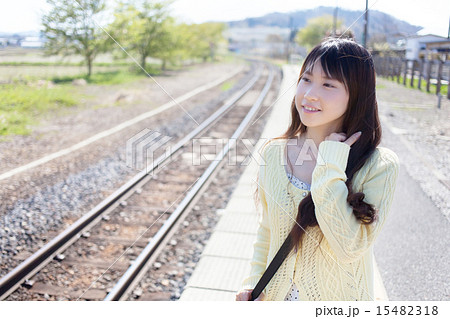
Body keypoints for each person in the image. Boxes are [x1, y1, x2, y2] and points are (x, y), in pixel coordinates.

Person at [235, 38, 399, 301]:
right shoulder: (274, 153)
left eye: (328, 84)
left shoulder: (379, 165)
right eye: (306, 79)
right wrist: (254, 283)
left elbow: (350, 247)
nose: (310, 93)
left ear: (356, 94)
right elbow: (268, 230)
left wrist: (330, 163)